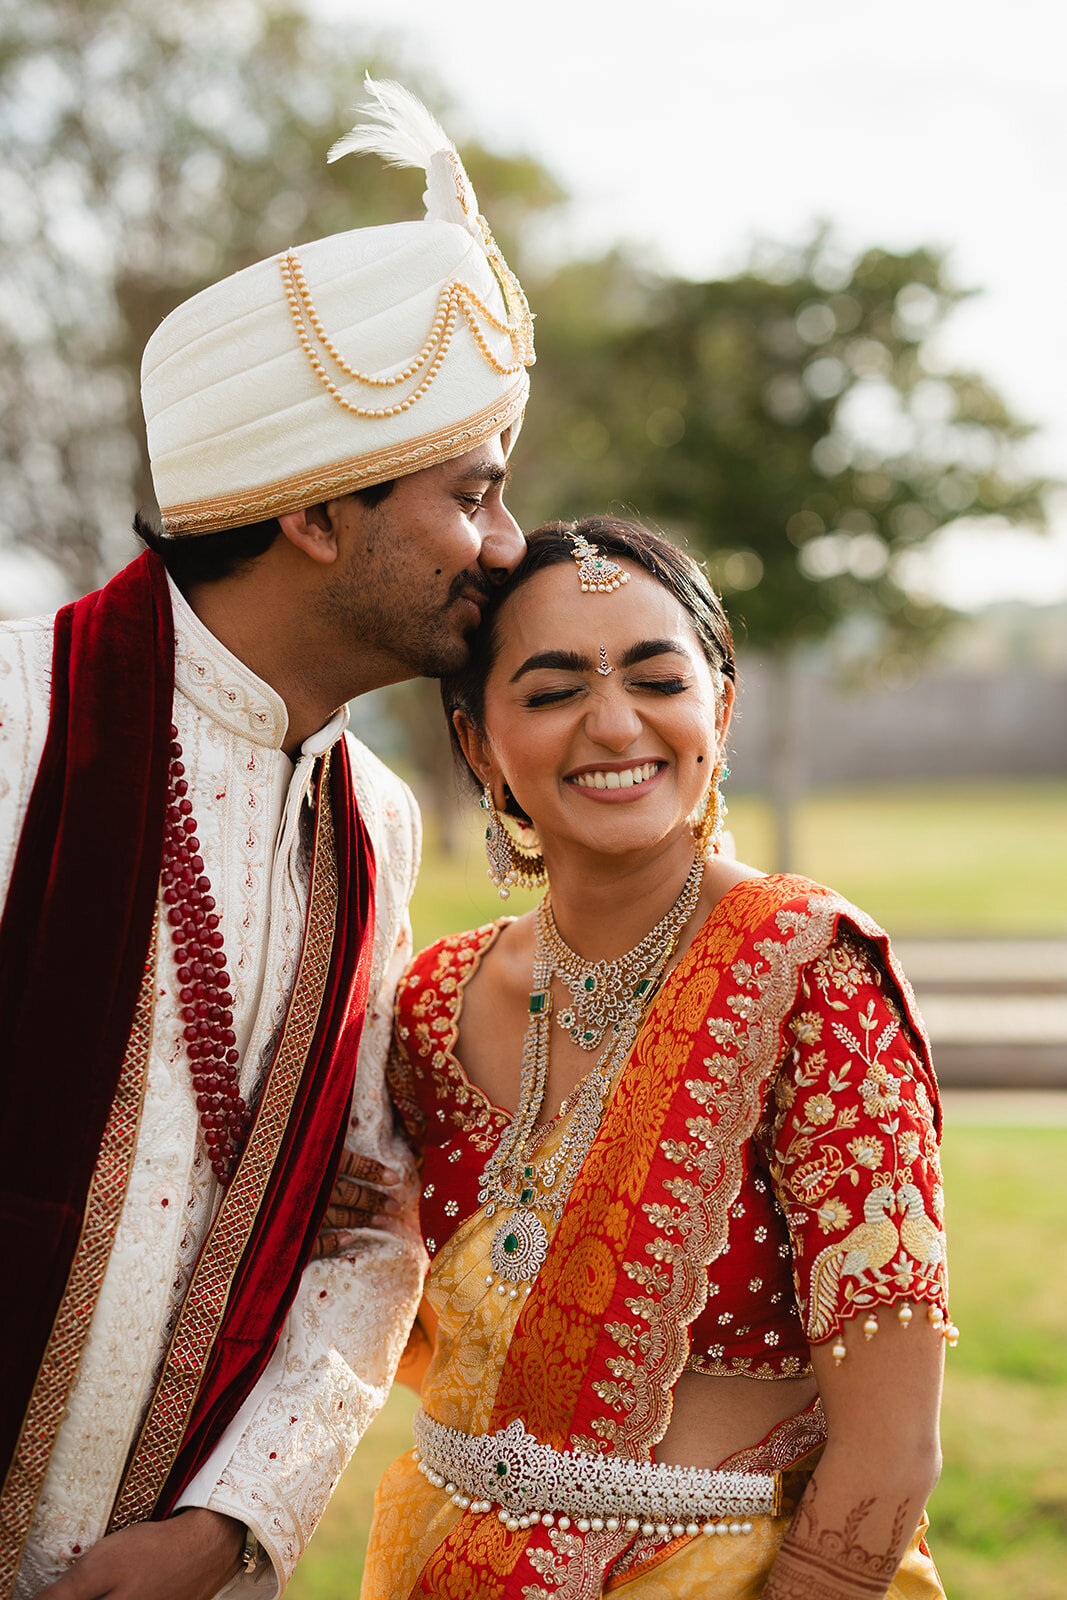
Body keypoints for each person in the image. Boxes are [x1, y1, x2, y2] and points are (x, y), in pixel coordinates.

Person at [0, 80, 533, 1600]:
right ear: (314, 516)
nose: (506, 545)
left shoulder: (368, 819)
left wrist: (233, 1523)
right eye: (473, 493)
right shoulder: (17, 720)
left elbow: (373, 1228)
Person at [354, 518, 956, 1598]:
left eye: (656, 679)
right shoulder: (427, 1003)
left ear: (716, 712)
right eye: (549, 692)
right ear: (476, 745)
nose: (613, 723)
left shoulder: (808, 973)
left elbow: (891, 1448)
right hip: (435, 1564)